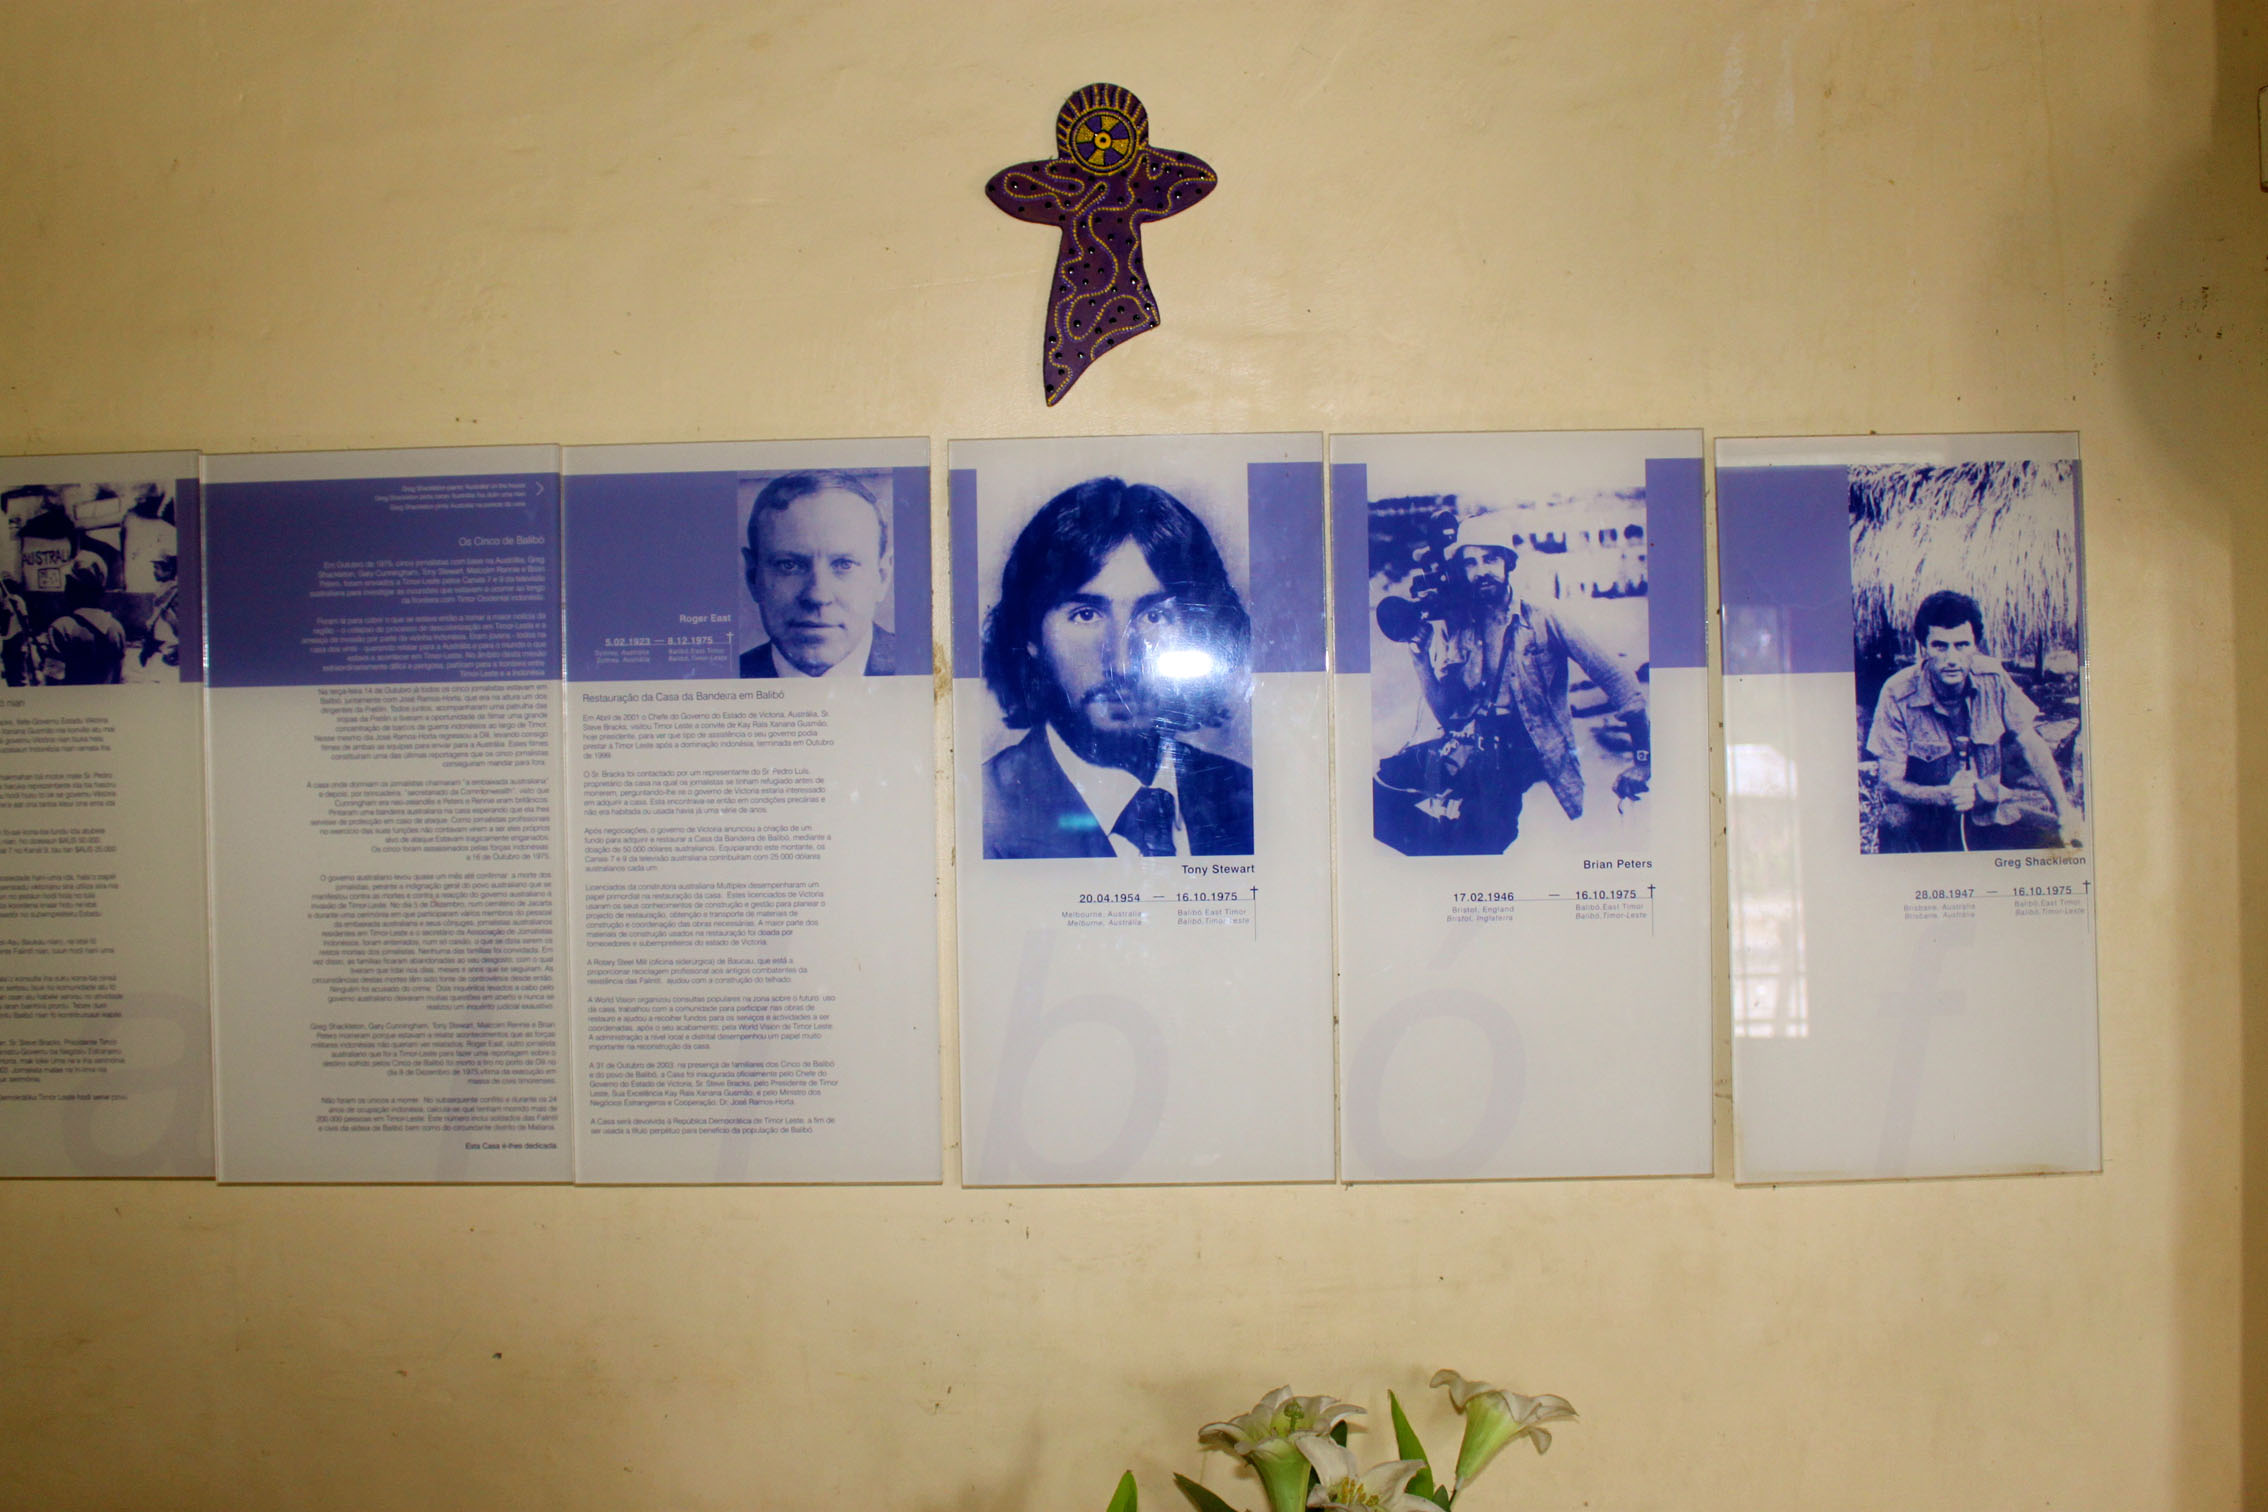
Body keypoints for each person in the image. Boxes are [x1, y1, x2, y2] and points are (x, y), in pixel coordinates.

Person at [980, 476, 1253, 859]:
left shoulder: (1246, 798)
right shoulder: (981, 814)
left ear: (1199, 631)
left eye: (1154, 616)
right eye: (1086, 614)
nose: (1122, 665)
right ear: (1030, 635)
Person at [1375, 510, 1649, 856]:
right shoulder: (1462, 626)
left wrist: (1643, 759)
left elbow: (1614, 676)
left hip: (1521, 752)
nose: (1481, 571)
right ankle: (1443, 846)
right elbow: (1447, 713)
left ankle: (1455, 845)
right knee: (1378, 794)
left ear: (1508, 562)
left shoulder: (1544, 616)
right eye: (1471, 563)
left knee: (1480, 840)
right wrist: (1420, 659)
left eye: (1490, 559)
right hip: (1470, 745)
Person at [1866, 589, 2080, 852]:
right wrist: (1943, 796)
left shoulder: (1993, 678)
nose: (1951, 659)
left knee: (2065, 842)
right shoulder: (1897, 692)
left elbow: (2031, 744)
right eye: (1940, 646)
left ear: (1976, 645)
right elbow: (1889, 784)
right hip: (1926, 818)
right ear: (1923, 648)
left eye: (1962, 645)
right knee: (1893, 821)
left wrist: (2064, 812)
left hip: (1987, 812)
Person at [738, 471, 896, 678]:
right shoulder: (728, 676)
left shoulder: (921, 666)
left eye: (844, 564)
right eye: (789, 565)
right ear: (753, 577)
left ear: (882, 577)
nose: (817, 596)